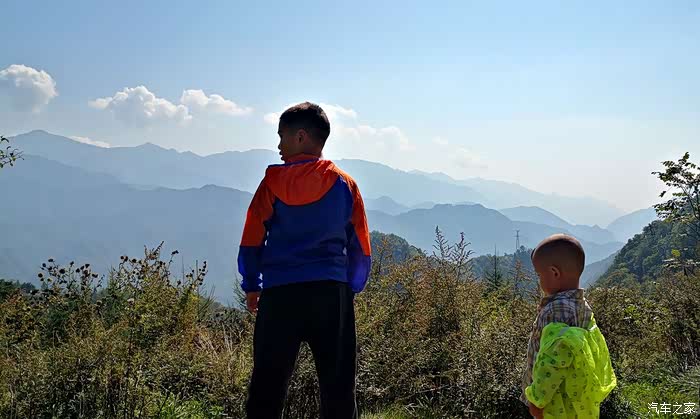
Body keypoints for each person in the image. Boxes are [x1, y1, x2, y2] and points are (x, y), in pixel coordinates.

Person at [238, 102, 371, 419]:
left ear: (300, 137)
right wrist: (350, 287)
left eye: (281, 136)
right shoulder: (345, 185)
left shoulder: (271, 185)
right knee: (338, 389)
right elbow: (360, 246)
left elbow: (252, 238)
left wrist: (252, 284)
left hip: (280, 295)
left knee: (267, 388)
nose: (278, 145)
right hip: (330, 294)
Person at [522, 234, 616, 418]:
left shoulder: (557, 311)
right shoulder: (582, 305)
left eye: (539, 275)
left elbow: (553, 361)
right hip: (575, 398)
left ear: (554, 273)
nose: (539, 281)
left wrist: (538, 401)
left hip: (555, 402)